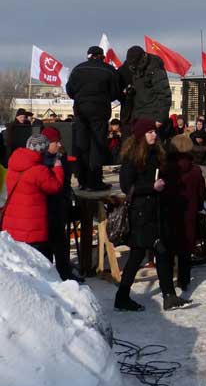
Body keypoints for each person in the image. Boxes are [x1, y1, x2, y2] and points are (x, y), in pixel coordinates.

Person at [116, 119, 191, 312]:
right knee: (138, 255)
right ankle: (123, 297)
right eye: (149, 132)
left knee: (160, 252)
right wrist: (152, 186)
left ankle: (168, 296)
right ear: (141, 135)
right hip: (141, 213)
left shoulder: (156, 153)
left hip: (156, 211)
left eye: (154, 132)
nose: (154, 135)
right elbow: (126, 186)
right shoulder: (132, 157)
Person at [66, 46, 120, 191]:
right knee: (97, 146)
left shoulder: (78, 69)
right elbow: (115, 92)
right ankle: (95, 182)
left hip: (81, 111)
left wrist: (81, 98)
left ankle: (82, 180)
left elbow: (70, 90)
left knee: (82, 145)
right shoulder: (108, 70)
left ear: (88, 56)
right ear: (102, 57)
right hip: (100, 112)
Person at [1, 134, 64, 256]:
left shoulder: (13, 164)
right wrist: (58, 168)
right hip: (32, 228)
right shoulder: (39, 170)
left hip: (12, 225)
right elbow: (55, 187)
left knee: (20, 262)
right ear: (42, 150)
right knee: (37, 262)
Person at [162, 134, 206, 291]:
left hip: (168, 212)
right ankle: (184, 280)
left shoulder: (165, 169)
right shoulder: (195, 170)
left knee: (168, 249)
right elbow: (201, 193)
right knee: (185, 249)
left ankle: (167, 282)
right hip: (189, 213)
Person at [40, 127, 83, 283]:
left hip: (60, 204)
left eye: (59, 141)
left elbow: (65, 181)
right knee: (47, 244)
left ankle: (65, 272)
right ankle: (49, 275)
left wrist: (65, 199)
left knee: (61, 242)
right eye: (55, 142)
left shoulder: (61, 156)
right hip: (46, 206)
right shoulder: (41, 159)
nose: (59, 144)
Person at [120, 46, 171, 133]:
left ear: (143, 58)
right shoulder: (132, 66)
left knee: (150, 141)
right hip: (137, 115)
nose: (133, 66)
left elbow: (164, 94)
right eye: (131, 64)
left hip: (152, 116)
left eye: (135, 64)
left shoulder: (155, 68)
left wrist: (161, 118)